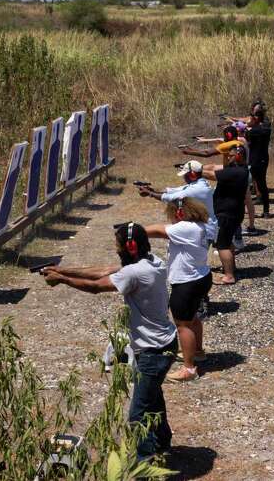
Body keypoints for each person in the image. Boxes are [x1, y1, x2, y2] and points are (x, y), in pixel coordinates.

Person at [41, 223, 178, 457]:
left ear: (130, 247)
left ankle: (144, 465)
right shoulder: (152, 262)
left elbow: (96, 286)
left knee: (138, 414)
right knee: (152, 398)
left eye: (118, 246)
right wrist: (62, 270)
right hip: (164, 344)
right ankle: (162, 442)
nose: (117, 250)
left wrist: (62, 280)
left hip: (152, 352)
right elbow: (103, 270)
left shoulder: (134, 273)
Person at [143, 198, 212, 383]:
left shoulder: (186, 228)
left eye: (172, 214)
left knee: (183, 325)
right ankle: (197, 352)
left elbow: (158, 230)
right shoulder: (199, 226)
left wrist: (134, 230)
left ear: (180, 213)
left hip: (186, 283)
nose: (172, 218)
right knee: (193, 318)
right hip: (201, 277)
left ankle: (189, 369)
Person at [180, 126, 255, 244]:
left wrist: (188, 152)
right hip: (244, 173)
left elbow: (206, 153)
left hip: (233, 175)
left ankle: (225, 238)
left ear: (228, 136)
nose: (224, 138)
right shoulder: (241, 141)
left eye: (225, 136)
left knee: (226, 206)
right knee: (241, 204)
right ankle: (240, 236)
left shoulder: (230, 145)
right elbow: (217, 142)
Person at [202, 145, 250, 285]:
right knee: (228, 241)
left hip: (227, 213)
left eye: (230, 155)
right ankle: (231, 268)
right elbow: (214, 169)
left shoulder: (236, 172)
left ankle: (229, 276)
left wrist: (196, 171)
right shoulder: (238, 170)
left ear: (239, 156)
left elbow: (212, 175)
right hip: (232, 212)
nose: (227, 157)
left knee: (222, 244)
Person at [137, 160, 217, 243]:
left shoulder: (197, 189)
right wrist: (152, 190)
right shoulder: (199, 183)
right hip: (201, 228)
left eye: (185, 175)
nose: (184, 177)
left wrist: (150, 193)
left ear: (192, 175)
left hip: (204, 231)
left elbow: (171, 198)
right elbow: (173, 190)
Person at [244, 102, 272, 217]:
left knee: (257, 185)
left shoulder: (256, 130)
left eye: (253, 116)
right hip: (261, 159)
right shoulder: (265, 127)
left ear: (257, 117)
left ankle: (262, 210)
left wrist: (245, 128)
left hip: (257, 161)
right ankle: (266, 210)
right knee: (262, 185)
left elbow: (248, 136)